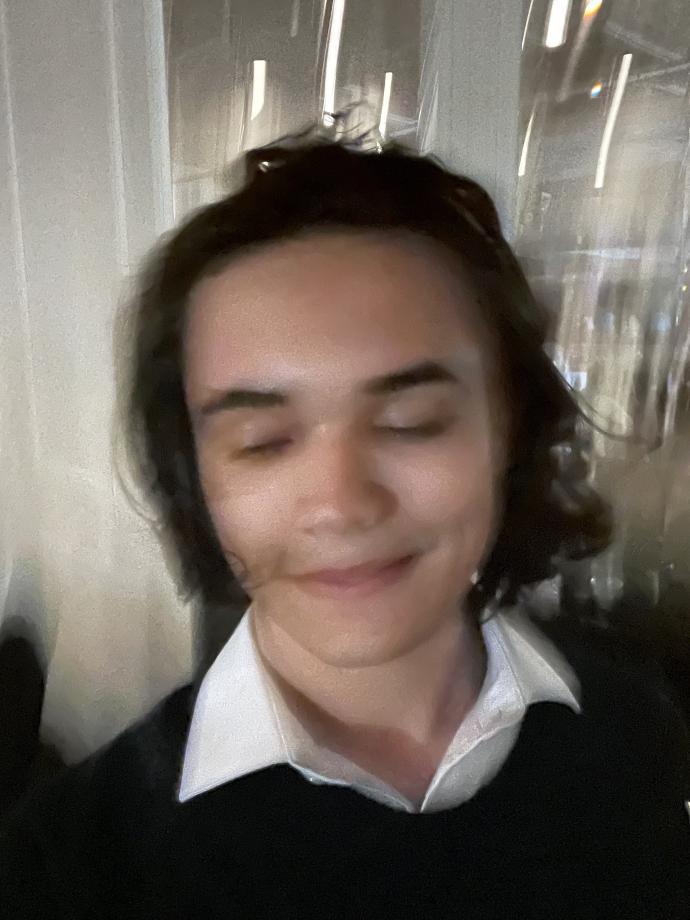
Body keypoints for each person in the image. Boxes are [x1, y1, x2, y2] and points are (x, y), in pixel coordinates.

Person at [0, 128, 688, 919]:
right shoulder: (71, 868)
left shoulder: (639, 736)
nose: (340, 504)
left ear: (510, 431)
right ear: (195, 476)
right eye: (262, 441)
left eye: (412, 422)